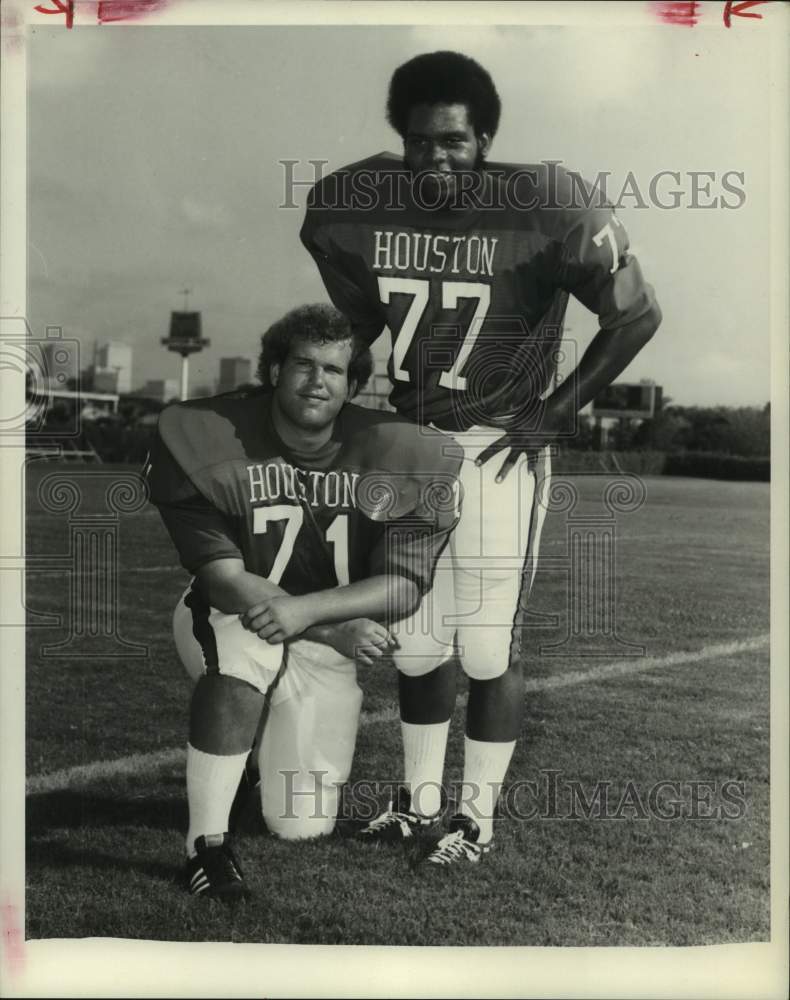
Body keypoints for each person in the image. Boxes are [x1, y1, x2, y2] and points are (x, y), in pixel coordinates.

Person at [300, 50, 662, 866]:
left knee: (490, 645)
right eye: (423, 142)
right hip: (410, 444)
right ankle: (418, 802)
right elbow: (356, 325)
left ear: (485, 138)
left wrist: (554, 413)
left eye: (456, 142)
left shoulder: (547, 202)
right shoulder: (355, 204)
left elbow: (636, 316)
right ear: (402, 138)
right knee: (419, 644)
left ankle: (475, 819)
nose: (438, 159)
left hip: (498, 444)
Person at [146, 303, 461, 899]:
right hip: (231, 613)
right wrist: (322, 625)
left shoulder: (394, 452)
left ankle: (248, 768)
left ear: (352, 385)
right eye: (303, 365)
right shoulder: (211, 435)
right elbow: (222, 578)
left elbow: (403, 585)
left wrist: (312, 617)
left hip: (321, 638)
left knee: (298, 824)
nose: (318, 381)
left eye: (335, 370)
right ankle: (205, 847)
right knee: (247, 650)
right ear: (272, 370)